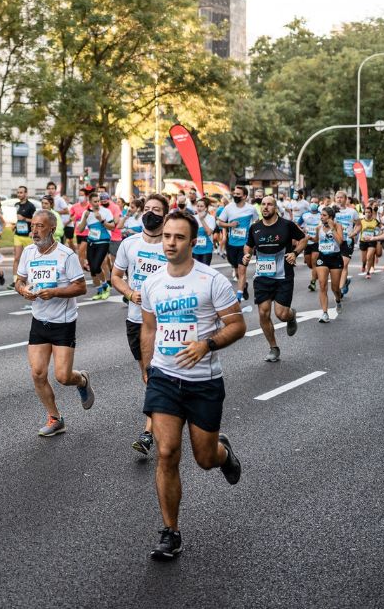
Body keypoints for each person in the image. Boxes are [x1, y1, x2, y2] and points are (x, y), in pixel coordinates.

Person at [140, 210, 246, 561]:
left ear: (192, 241)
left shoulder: (211, 280)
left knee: (204, 459)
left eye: (179, 237)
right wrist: (147, 366)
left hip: (203, 383)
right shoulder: (152, 282)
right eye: (167, 236)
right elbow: (150, 328)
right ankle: (171, 532)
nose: (171, 242)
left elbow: (237, 325)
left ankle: (223, 453)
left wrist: (207, 344)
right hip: (164, 378)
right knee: (167, 452)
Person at [15, 209, 91, 437]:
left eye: (39, 226)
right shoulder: (28, 252)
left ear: (51, 228)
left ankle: (82, 380)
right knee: (38, 373)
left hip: (63, 322)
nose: (34, 231)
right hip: (39, 320)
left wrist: (55, 292)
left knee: (63, 377)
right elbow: (19, 281)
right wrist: (24, 290)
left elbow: (81, 287)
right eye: (33, 226)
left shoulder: (66, 255)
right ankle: (55, 418)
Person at [110, 194, 168, 455]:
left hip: (165, 321)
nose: (150, 213)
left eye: (156, 210)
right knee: (147, 375)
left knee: (155, 375)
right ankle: (164, 413)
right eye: (147, 209)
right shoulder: (129, 244)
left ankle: (148, 433)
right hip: (136, 320)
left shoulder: (170, 244)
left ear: (165, 215)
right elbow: (116, 276)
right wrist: (130, 294)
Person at [243, 196, 307, 362]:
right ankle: (273, 347)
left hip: (283, 275)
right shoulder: (255, 228)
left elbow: (304, 239)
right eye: (263, 204)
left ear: (275, 208)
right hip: (262, 276)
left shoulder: (286, 225)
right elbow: (249, 245)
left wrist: (295, 253)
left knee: (281, 314)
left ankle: (291, 316)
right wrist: (246, 255)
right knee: (263, 313)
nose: (265, 207)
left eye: (269, 204)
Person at [216, 185, 260, 302]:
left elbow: (257, 222)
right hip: (231, 244)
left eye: (238, 194)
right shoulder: (229, 208)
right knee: (236, 270)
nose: (235, 196)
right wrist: (230, 225)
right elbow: (219, 222)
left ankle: (239, 296)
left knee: (242, 269)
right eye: (234, 194)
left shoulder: (251, 209)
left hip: (245, 245)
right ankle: (244, 285)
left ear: (244, 196)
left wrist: (254, 235)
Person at [77, 192, 116, 299]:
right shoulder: (86, 212)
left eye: (98, 201)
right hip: (91, 242)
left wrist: (101, 220)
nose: (97, 203)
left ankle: (105, 286)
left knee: (96, 266)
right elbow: (80, 229)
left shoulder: (106, 212)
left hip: (103, 241)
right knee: (93, 270)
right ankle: (99, 291)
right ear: (89, 202)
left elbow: (112, 227)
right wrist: (85, 218)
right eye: (95, 201)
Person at [313, 207, 345, 323]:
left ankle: (338, 300)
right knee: (322, 285)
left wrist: (332, 228)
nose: (321, 217)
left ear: (331, 217)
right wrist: (309, 238)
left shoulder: (338, 226)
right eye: (321, 215)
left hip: (335, 258)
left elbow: (340, 241)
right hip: (322, 258)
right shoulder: (318, 228)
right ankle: (325, 313)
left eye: (324, 215)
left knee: (335, 288)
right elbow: (317, 239)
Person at [332, 191, 361, 297]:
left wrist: (354, 233)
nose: (339, 199)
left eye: (341, 198)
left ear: (346, 199)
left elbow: (358, 225)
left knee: (343, 265)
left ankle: (339, 290)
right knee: (339, 266)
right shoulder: (332, 211)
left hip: (347, 241)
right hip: (335, 240)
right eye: (337, 197)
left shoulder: (352, 212)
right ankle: (344, 282)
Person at [12, 186, 36, 282]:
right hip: (18, 235)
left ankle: (31, 279)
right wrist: (15, 225)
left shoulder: (31, 206)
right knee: (17, 258)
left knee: (29, 259)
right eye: (18, 192)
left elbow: (35, 220)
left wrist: (25, 219)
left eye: (21, 192)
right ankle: (15, 281)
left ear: (26, 193)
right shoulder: (16, 204)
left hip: (28, 236)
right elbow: (17, 219)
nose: (19, 194)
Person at [300, 202, 322, 291]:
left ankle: (313, 282)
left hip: (317, 241)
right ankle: (315, 273)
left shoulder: (321, 215)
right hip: (307, 241)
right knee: (309, 263)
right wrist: (302, 230)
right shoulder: (305, 215)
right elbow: (297, 224)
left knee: (314, 262)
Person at [191, 198, 216, 266]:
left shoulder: (211, 218)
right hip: (195, 249)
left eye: (201, 206)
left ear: (206, 208)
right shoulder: (193, 218)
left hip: (207, 249)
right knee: (195, 270)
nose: (199, 208)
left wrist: (201, 219)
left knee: (204, 271)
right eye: (198, 206)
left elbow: (209, 233)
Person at [359, 205, 381, 279]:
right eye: (366, 212)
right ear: (364, 213)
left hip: (372, 241)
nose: (367, 214)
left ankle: (368, 272)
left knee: (369, 256)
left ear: (371, 213)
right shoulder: (361, 221)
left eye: (369, 212)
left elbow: (381, 228)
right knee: (364, 259)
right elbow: (356, 228)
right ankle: (363, 264)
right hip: (363, 241)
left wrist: (379, 234)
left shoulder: (375, 221)